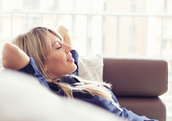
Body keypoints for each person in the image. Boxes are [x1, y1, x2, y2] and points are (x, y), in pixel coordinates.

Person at [2, 26, 158, 121]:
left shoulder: (70, 79)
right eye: (58, 47)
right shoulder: (48, 92)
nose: (68, 47)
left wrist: (49, 38)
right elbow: (9, 51)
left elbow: (64, 29)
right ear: (41, 64)